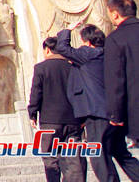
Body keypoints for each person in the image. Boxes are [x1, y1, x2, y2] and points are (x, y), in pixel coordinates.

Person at [56, 22, 139, 182]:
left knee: (98, 155)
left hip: (96, 114)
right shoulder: (108, 55)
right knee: (121, 152)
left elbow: (63, 48)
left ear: (87, 42)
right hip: (115, 111)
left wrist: (67, 30)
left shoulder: (87, 54)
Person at [28, 37, 85, 182]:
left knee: (50, 158)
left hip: (50, 121)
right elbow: (81, 92)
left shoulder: (41, 68)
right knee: (74, 160)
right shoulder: (73, 67)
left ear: (47, 50)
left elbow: (36, 92)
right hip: (73, 120)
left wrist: (32, 113)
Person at [105, 0, 139, 179]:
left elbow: (116, 80)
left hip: (134, 110)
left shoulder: (116, 39)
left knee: (115, 147)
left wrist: (115, 115)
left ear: (115, 14)